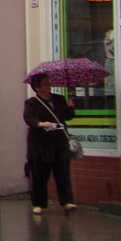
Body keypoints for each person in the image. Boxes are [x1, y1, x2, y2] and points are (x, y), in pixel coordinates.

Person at [23, 72, 77, 215]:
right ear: (37, 87)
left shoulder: (59, 99)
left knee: (63, 174)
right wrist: (40, 124)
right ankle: (39, 203)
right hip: (41, 145)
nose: (49, 85)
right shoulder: (31, 103)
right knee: (40, 175)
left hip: (59, 143)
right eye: (45, 83)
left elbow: (68, 116)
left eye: (49, 82)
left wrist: (71, 107)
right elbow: (28, 118)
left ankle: (67, 202)